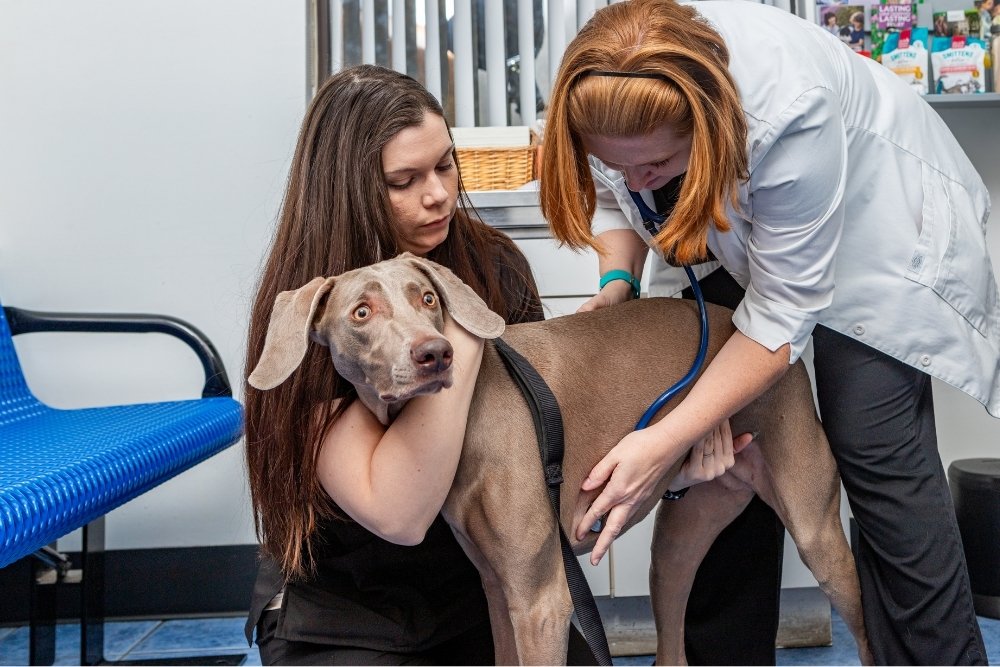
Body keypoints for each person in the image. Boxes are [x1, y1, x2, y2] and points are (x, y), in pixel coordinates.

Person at [539, 1, 1000, 665]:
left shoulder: (788, 107)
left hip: (875, 233)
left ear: (706, 122)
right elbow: (617, 188)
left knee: (875, 452)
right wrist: (620, 284)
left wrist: (659, 444)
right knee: (720, 459)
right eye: (621, 162)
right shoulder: (608, 80)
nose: (638, 180)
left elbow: (779, 316)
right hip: (740, 224)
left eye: (657, 163)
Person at [242, 63, 744, 665]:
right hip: (349, 620)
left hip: (481, 597)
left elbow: (541, 489)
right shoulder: (312, 316)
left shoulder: (494, 268)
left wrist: (671, 470)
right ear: (346, 191)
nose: (437, 194)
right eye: (404, 180)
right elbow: (400, 513)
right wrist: (457, 324)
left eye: (445, 165)